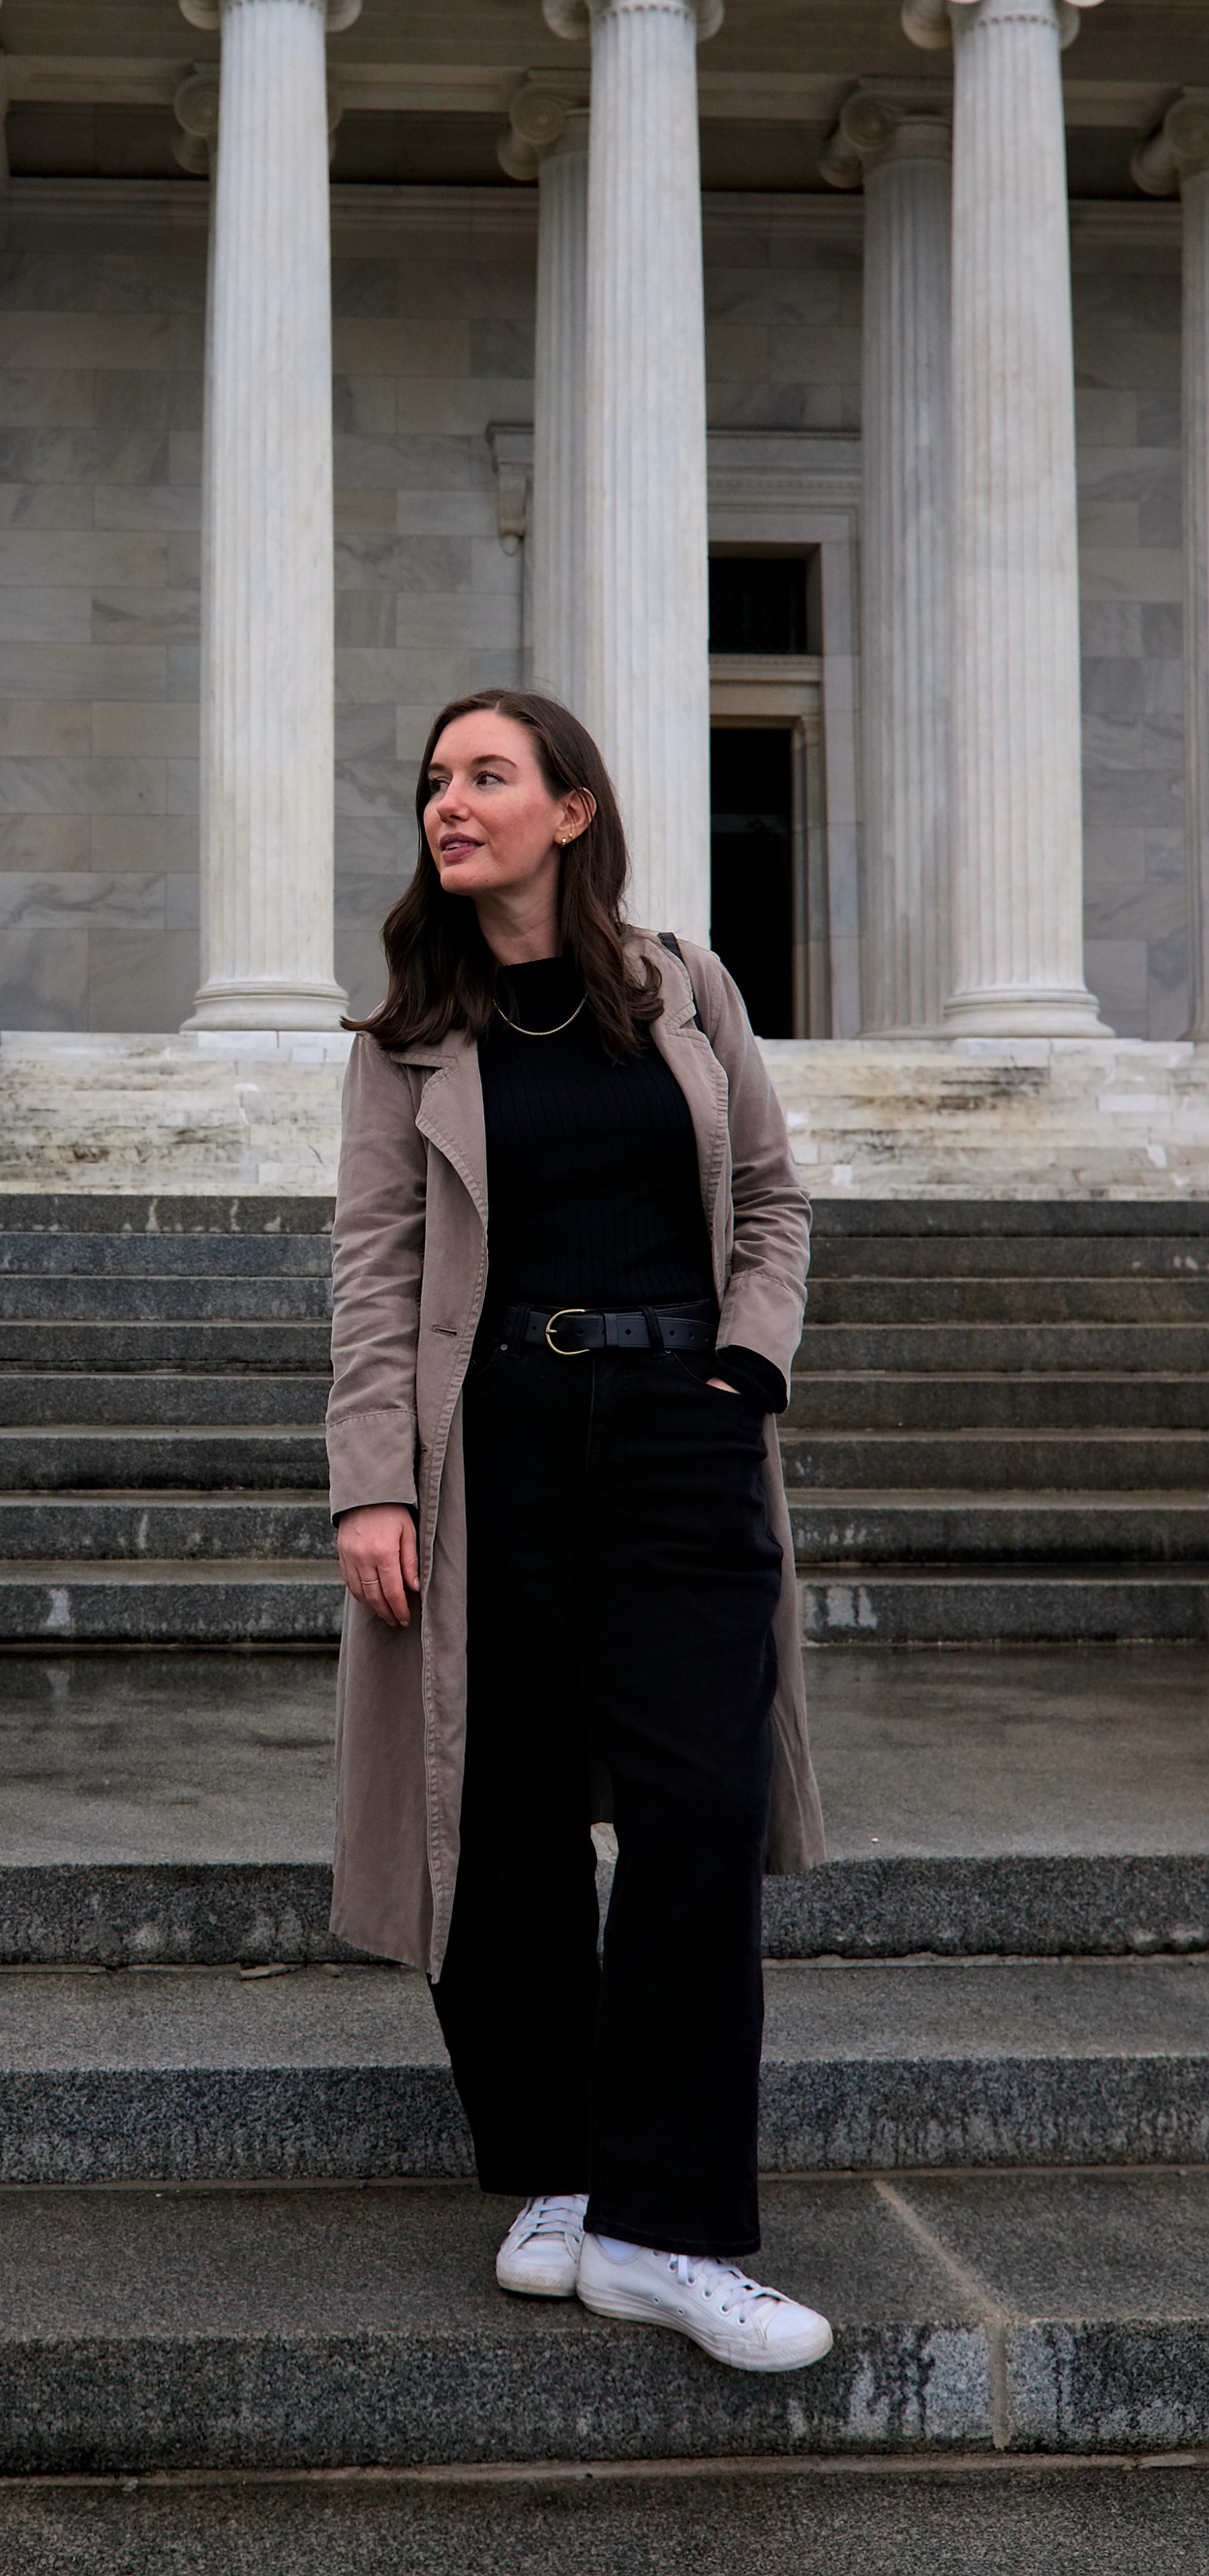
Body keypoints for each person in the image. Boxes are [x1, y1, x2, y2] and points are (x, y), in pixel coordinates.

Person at [327, 686, 831, 2375]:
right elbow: (376, 1269)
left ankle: (665, 2226)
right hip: (493, 1449)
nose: (448, 805)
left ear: (572, 808)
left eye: (484, 776)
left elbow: (769, 1197)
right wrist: (372, 1480)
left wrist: (744, 1372)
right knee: (505, 1809)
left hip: (682, 1438)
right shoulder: (409, 1037)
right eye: (433, 783)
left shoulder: (685, 992)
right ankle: (553, 2166)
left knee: (701, 1810)